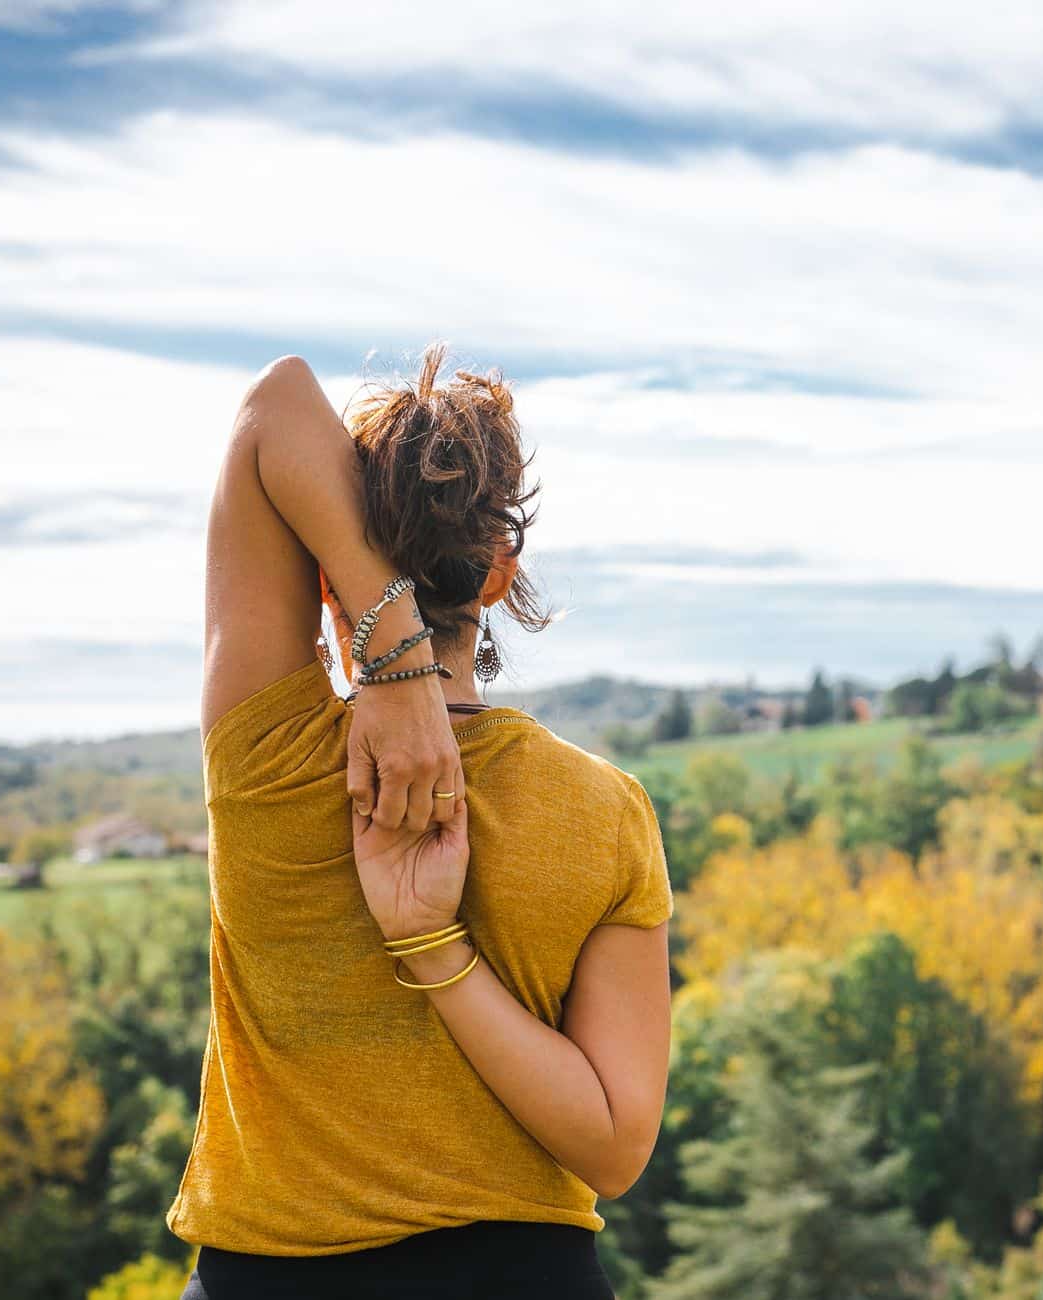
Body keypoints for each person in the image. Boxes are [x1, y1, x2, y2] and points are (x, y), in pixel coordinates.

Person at [167, 346, 672, 1299]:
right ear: (498, 573)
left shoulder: (270, 753)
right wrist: (438, 953)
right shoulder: (603, 811)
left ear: (324, 576)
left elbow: (275, 404)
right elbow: (615, 1148)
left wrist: (386, 653)